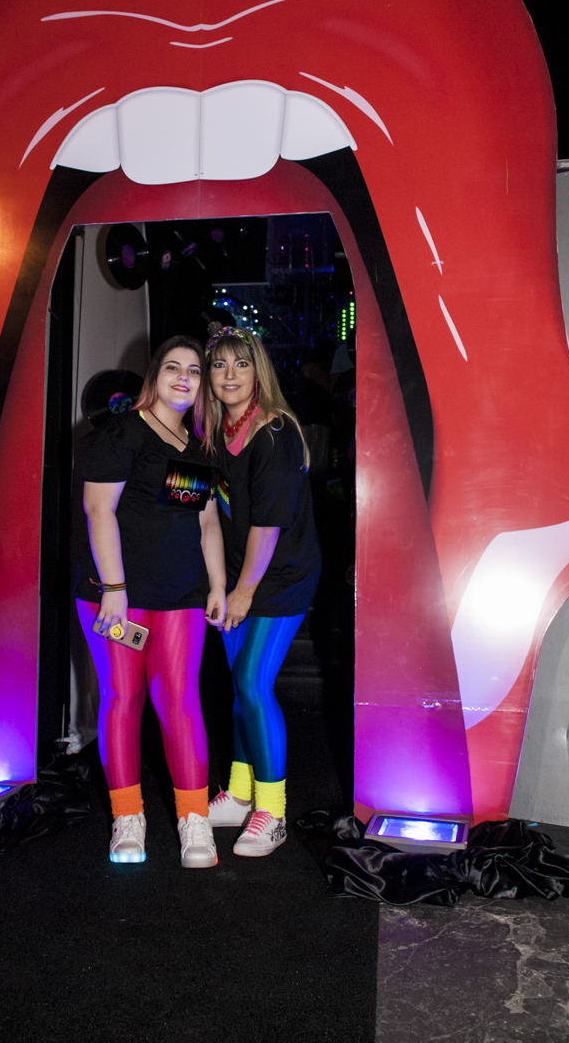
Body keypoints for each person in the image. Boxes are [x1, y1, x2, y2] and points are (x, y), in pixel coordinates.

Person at [75, 336, 226, 868]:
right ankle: (127, 819)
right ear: (153, 376)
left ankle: (194, 821)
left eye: (193, 371)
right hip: (118, 596)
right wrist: (114, 591)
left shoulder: (195, 445)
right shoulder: (122, 432)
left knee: (181, 700)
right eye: (172, 368)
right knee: (122, 699)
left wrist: (218, 585)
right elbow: (100, 512)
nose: (184, 378)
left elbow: (203, 521)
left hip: (181, 593)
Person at [204, 326, 321, 857]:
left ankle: (272, 812)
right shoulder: (203, 433)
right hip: (232, 578)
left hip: (278, 577)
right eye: (220, 365)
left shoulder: (274, 433)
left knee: (252, 682)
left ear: (259, 373)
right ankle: (240, 793)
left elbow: (266, 528)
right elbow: (191, 508)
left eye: (241, 365)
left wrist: (243, 590)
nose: (230, 376)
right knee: (238, 684)